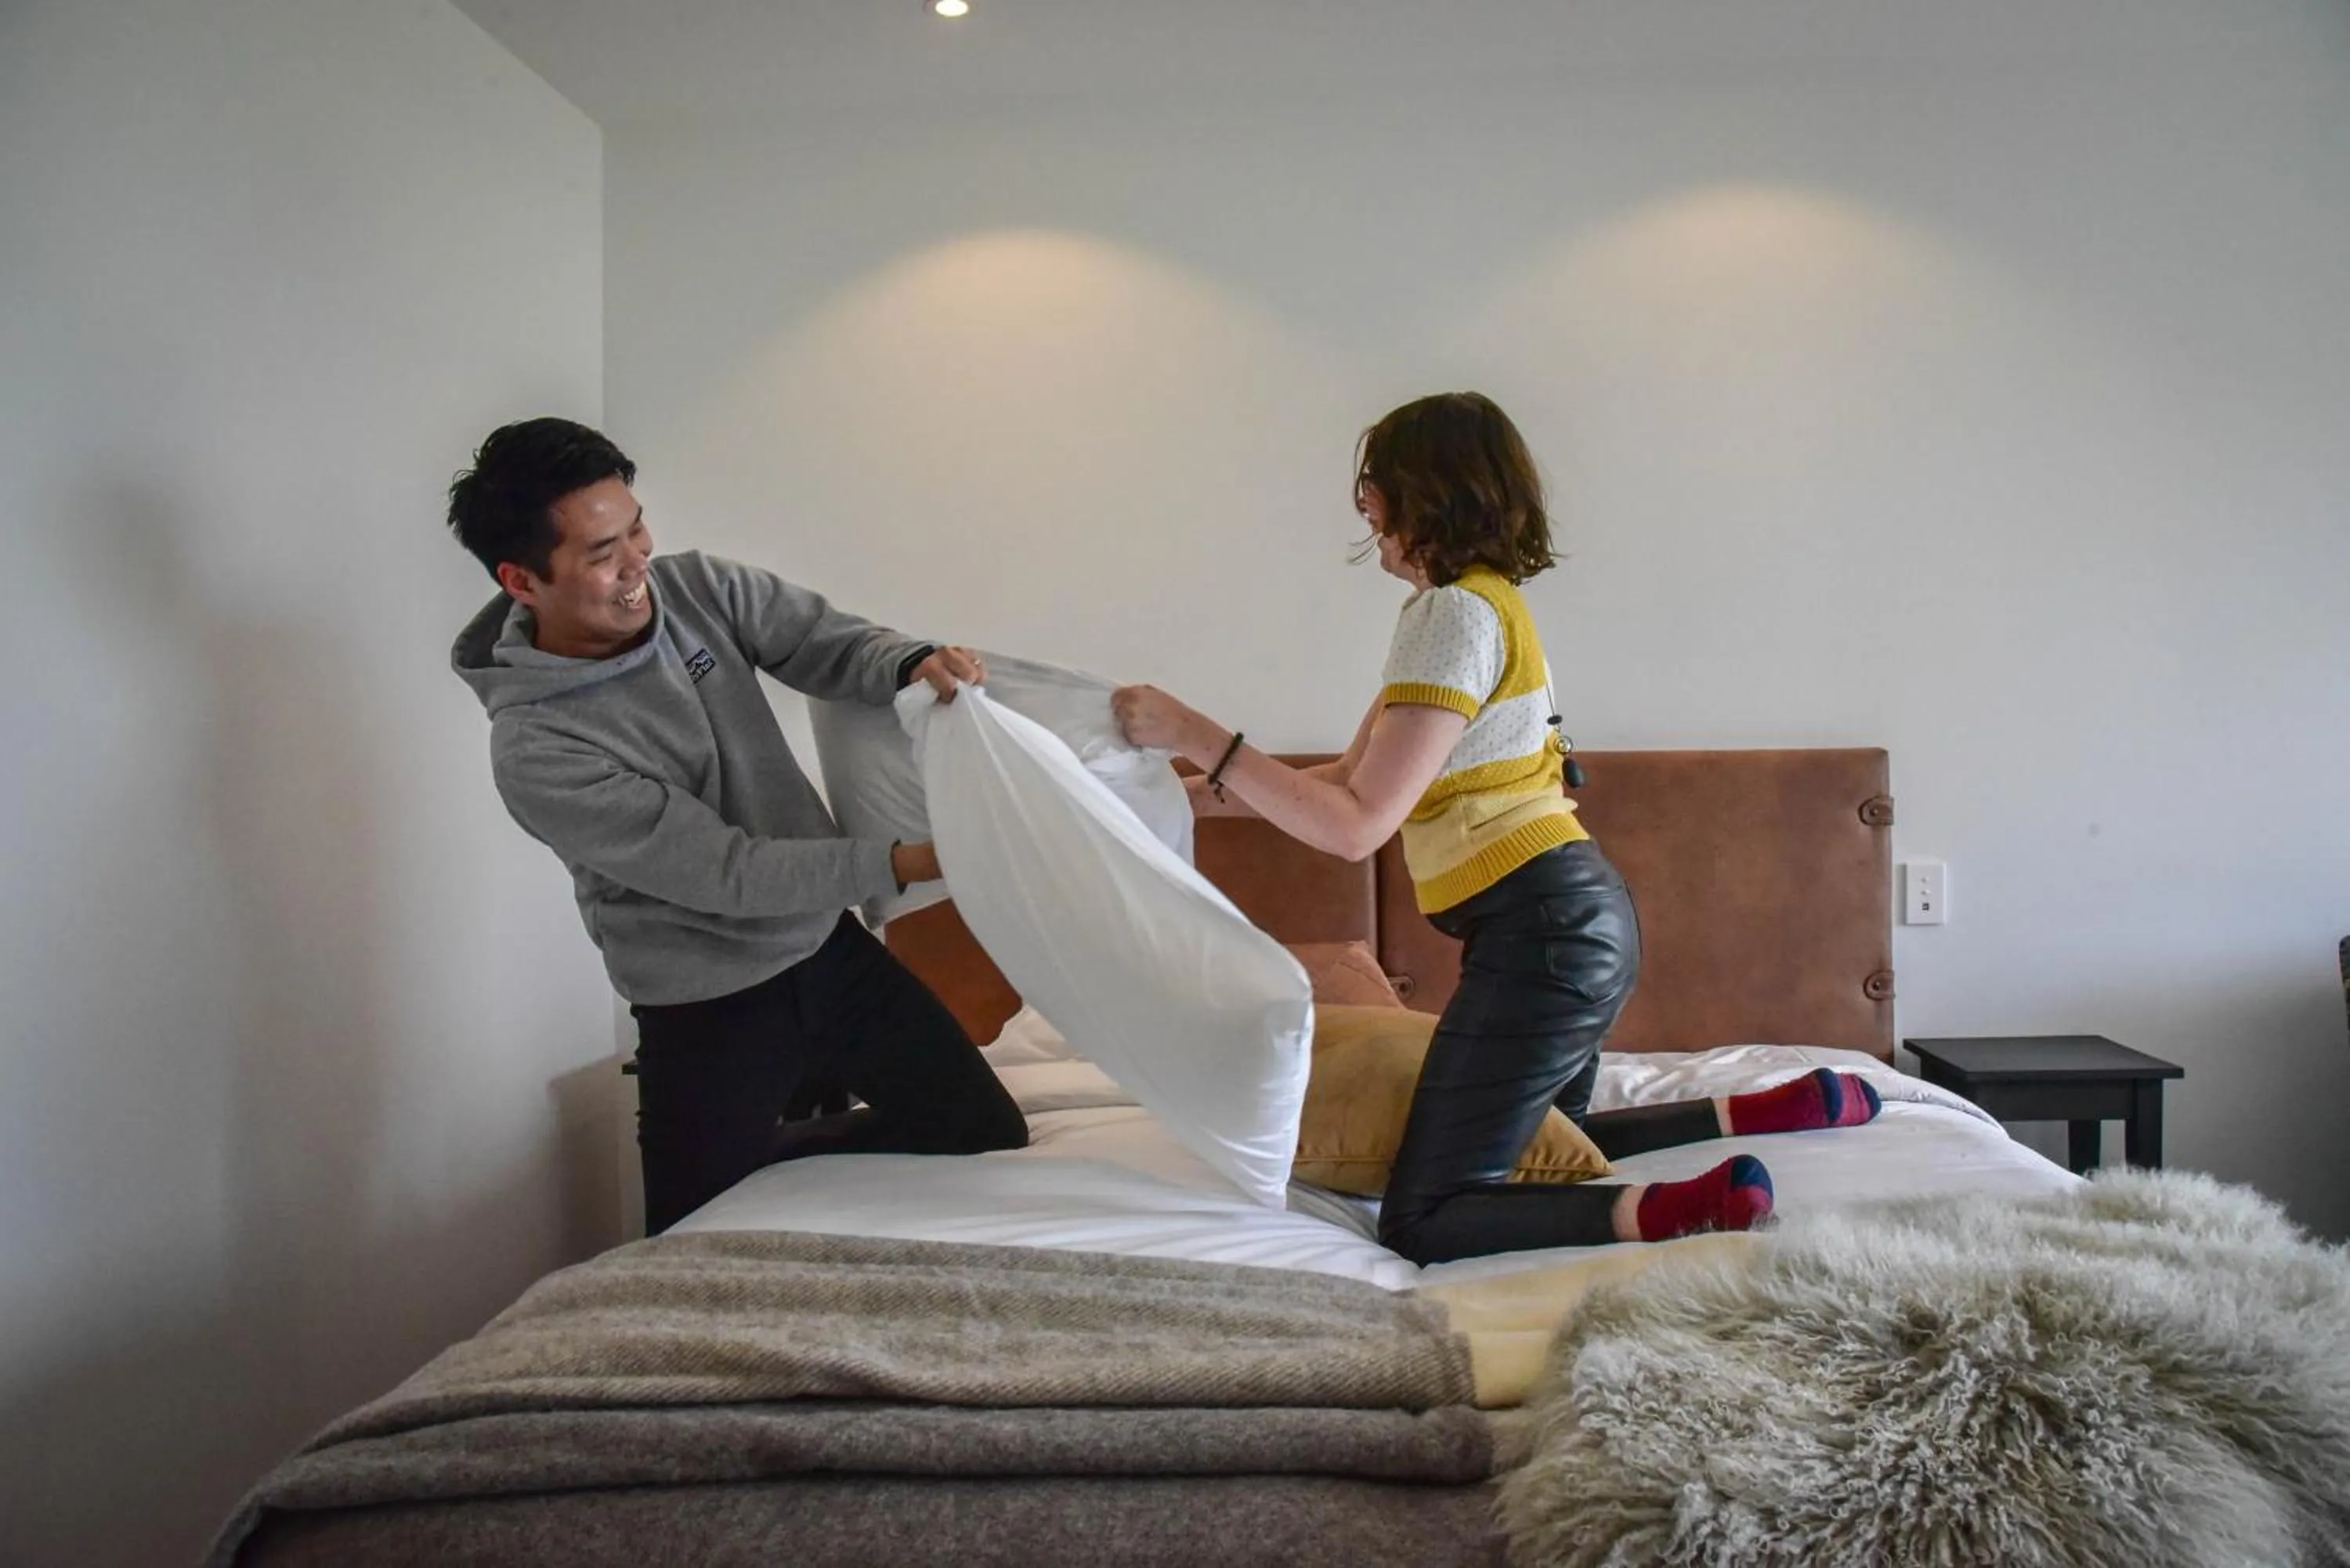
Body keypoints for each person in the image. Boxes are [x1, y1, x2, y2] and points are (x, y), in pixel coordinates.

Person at [1112, 392, 1879, 1266]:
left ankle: (1684, 1209)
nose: (1366, 508)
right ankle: (1765, 1110)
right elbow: (1345, 781)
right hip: (1579, 919)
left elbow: (1356, 825)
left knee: (1425, 1214)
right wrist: (1182, 791)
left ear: (1422, 492)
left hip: (1544, 933)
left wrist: (1194, 728)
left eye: (1375, 487)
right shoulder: (1482, 608)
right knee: (1558, 1138)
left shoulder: (1451, 618)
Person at [446, 417, 1026, 1234]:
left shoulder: (699, 590)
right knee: (693, 1234)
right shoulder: (539, 748)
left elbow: (825, 645)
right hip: (708, 1003)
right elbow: (730, 872)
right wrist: (918, 860)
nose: (637, 562)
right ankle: (753, 1169)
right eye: (603, 553)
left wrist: (907, 661)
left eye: (637, 526)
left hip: (829, 954)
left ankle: (782, 1159)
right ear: (522, 579)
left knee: (983, 1129)